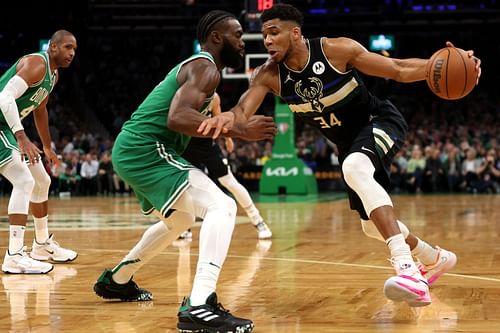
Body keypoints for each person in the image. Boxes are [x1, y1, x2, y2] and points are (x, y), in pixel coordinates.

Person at [199, 4, 481, 307]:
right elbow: (242, 111)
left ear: (295, 32)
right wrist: (226, 118)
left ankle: (407, 269)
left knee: (354, 167)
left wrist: (439, 65)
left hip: (378, 121)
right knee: (371, 226)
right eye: (264, 34)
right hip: (347, 145)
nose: (267, 40)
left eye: (274, 32)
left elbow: (398, 69)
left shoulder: (335, 50)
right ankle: (433, 257)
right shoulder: (269, 76)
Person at [93, 10, 276, 333]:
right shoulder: (205, 67)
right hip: (144, 147)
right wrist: (238, 132)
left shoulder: (204, 70)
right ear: (217, 38)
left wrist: (233, 129)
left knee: (179, 220)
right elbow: (177, 118)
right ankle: (200, 304)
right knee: (222, 205)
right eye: (236, 35)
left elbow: (182, 123)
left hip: (134, 149)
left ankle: (117, 281)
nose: (243, 41)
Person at [0, 30, 78, 274]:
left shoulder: (52, 76)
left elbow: (40, 110)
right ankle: (14, 255)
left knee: (42, 180)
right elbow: (4, 97)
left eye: (74, 49)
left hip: (9, 128)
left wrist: (47, 145)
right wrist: (22, 137)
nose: (72, 53)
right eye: (67, 47)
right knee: (24, 180)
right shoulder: (37, 64)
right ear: (53, 47)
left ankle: (41, 245)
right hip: (4, 126)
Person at [180, 92, 272, 240]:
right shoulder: (182, 96)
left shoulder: (214, 97)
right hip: (186, 148)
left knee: (229, 181)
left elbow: (220, 118)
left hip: (207, 146)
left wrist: (228, 139)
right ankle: (185, 228)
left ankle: (258, 220)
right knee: (187, 187)